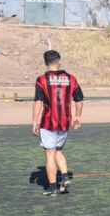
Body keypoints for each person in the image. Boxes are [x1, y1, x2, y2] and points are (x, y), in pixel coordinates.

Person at [32, 50, 84, 197]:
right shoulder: (71, 78)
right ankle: (65, 176)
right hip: (65, 121)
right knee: (58, 150)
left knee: (50, 154)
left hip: (48, 122)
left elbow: (38, 102)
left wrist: (34, 122)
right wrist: (78, 116)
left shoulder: (42, 79)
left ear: (45, 63)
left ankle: (53, 187)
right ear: (59, 61)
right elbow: (79, 99)